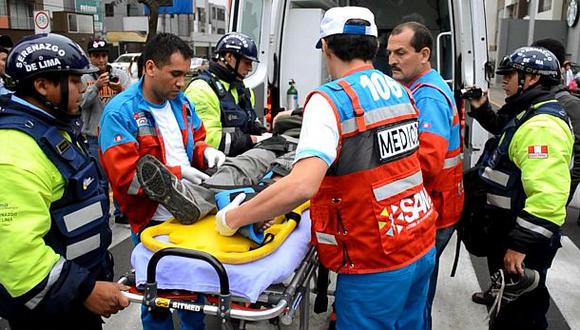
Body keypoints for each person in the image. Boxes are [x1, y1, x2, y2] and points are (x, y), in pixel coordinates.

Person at [214, 7, 437, 329]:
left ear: (327, 48)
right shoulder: (399, 91)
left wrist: (232, 218)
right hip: (417, 238)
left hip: (374, 256)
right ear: (374, 46)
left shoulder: (331, 100)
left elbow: (302, 185)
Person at [0, 33, 128, 329]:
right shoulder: (15, 151)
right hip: (50, 309)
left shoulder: (54, 127)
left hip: (71, 298)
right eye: (73, 80)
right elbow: (16, 253)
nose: (83, 86)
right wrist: (84, 290)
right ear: (42, 85)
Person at [99, 32, 225, 329]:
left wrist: (207, 154)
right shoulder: (120, 112)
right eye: (176, 74)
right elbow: (126, 176)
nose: (182, 83)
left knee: (194, 298)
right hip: (151, 222)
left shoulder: (181, 104)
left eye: (186, 74)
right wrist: (179, 174)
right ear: (151, 67)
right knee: (156, 304)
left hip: (192, 215)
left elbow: (196, 139)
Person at [466, 47, 572, 329]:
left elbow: (547, 196)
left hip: (521, 240)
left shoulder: (543, 126)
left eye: (510, 74)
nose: (504, 80)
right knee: (509, 311)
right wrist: (483, 110)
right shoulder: (531, 111)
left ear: (532, 78)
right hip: (508, 230)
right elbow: (508, 133)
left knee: (520, 318)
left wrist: (519, 245)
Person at [387, 21, 464, 328]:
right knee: (418, 295)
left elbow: (426, 165)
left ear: (424, 53)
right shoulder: (418, 87)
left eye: (401, 52)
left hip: (434, 208)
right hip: (438, 205)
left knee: (415, 300)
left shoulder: (428, 96)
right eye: (390, 52)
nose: (392, 59)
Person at [184, 32, 271, 157]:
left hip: (242, 161)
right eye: (247, 62)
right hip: (214, 166)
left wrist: (263, 133)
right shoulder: (201, 90)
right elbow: (208, 140)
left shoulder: (243, 90)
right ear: (229, 57)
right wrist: (253, 140)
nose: (250, 69)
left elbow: (251, 121)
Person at [81, 39, 131, 225]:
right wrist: (96, 87)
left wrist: (120, 89)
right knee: (100, 180)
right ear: (90, 57)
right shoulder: (84, 77)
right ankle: (102, 213)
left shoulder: (120, 74)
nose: (100, 60)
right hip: (94, 136)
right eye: (95, 56)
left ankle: (120, 212)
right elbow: (81, 104)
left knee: (118, 176)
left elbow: (131, 99)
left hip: (117, 135)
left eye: (103, 56)